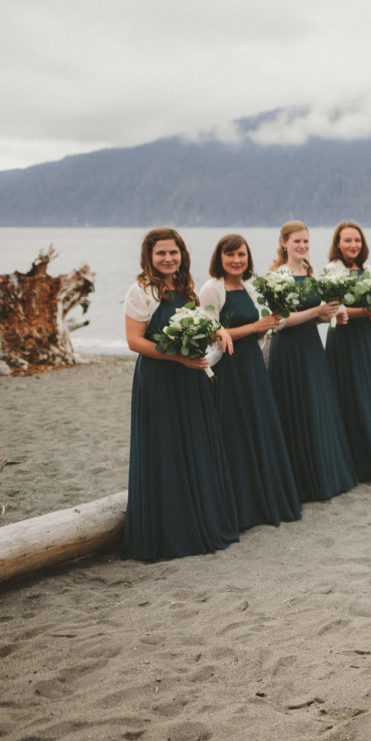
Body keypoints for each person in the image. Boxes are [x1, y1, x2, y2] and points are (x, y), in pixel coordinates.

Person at [121, 228, 237, 560]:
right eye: (161, 253)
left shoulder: (187, 289)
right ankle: (169, 532)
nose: (169, 258)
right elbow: (134, 342)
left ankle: (198, 520)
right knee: (165, 448)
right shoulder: (141, 291)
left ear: (182, 254)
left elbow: (203, 322)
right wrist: (177, 357)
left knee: (194, 444)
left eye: (174, 252)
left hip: (190, 379)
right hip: (159, 380)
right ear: (149, 256)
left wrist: (219, 331)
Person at [198, 235, 301, 530]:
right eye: (230, 255)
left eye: (241, 255)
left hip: (252, 364)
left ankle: (262, 502)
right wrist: (255, 327)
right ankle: (239, 507)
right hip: (227, 369)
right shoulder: (211, 289)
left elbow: (259, 331)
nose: (236, 260)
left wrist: (268, 325)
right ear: (220, 258)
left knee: (258, 427)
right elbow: (211, 333)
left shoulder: (251, 286)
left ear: (248, 258)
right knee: (232, 431)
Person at [266, 221, 358, 502]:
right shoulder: (277, 275)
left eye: (306, 241)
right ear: (284, 243)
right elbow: (279, 321)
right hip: (289, 351)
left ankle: (324, 475)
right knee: (295, 406)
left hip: (311, 348)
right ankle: (300, 480)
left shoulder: (309, 271)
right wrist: (316, 312)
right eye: (297, 242)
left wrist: (332, 315)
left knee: (317, 406)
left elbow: (313, 315)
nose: (303, 246)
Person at [324, 222, 371, 483]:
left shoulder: (368, 271)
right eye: (347, 241)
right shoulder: (331, 271)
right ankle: (355, 464)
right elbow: (333, 309)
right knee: (349, 396)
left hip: (367, 340)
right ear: (338, 244)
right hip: (344, 340)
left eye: (356, 240)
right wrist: (365, 313)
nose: (353, 245)